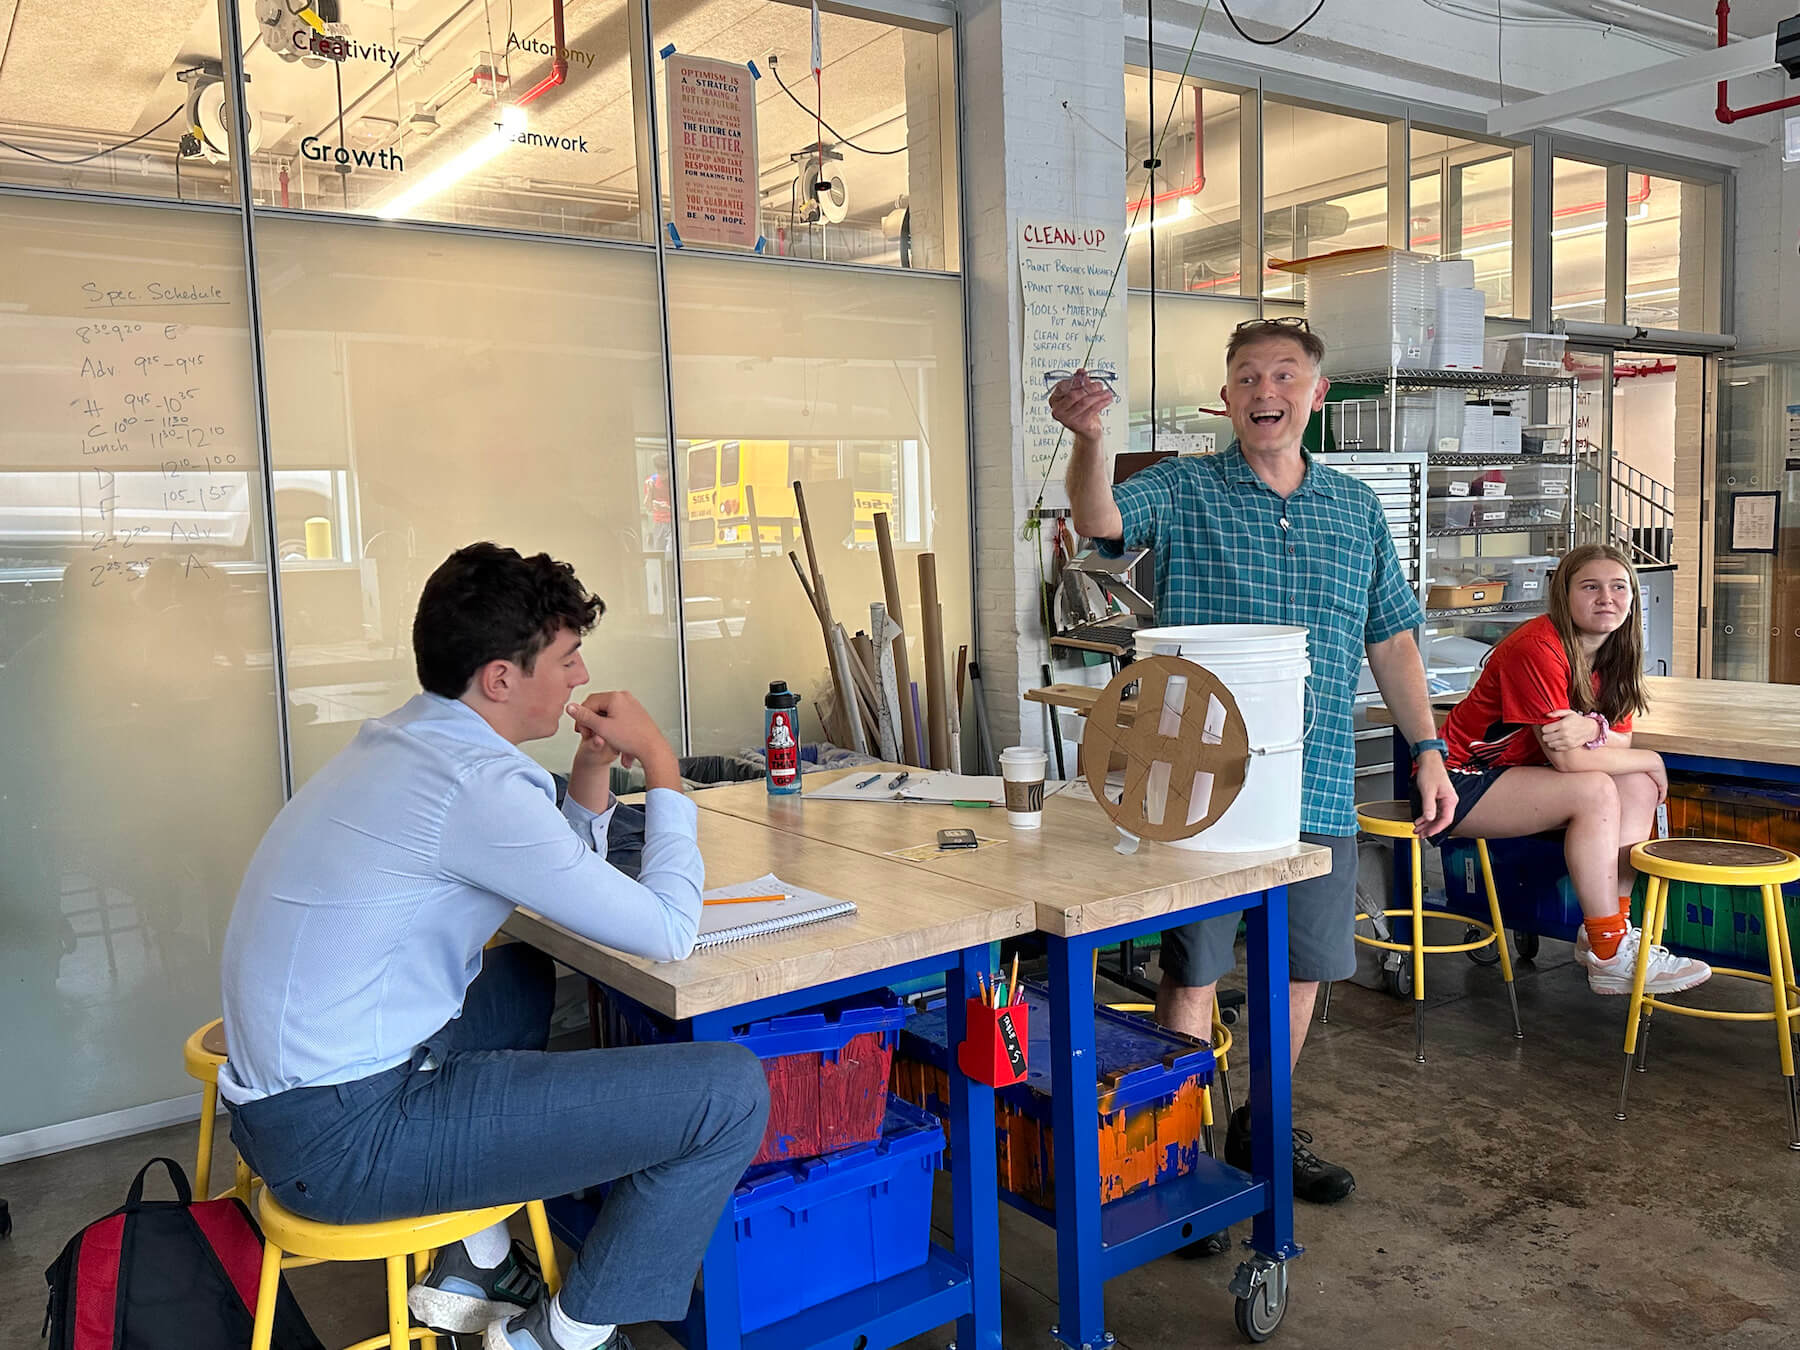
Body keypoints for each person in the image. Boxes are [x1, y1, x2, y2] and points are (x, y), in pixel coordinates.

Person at [217, 542, 770, 1350]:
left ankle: (473, 1262)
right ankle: (563, 1337)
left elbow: (555, 870)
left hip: (284, 1107)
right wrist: (660, 766)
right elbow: (668, 932)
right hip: (346, 1142)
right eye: (568, 656)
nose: (581, 678)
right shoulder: (478, 784)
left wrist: (589, 772)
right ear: (502, 679)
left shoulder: (410, 741)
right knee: (729, 1093)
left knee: (516, 975)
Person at [1050, 317, 1455, 1225]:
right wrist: (1090, 441)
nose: (1264, 390)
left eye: (1284, 374)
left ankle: (1263, 1125)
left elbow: (1389, 636)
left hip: (1313, 781)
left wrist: (1427, 748)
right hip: (1200, 787)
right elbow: (1099, 520)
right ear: (1226, 398)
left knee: (1304, 970)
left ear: (1315, 394)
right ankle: (1172, 1146)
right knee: (1192, 973)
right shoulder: (1186, 489)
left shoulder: (1355, 509)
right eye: (1246, 376)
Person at [1424, 543, 1710, 996]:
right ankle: (1610, 947)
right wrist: (1651, 759)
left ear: (1633, 598)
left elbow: (1620, 742)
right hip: (1458, 780)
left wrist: (1591, 726)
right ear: (1564, 595)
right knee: (1596, 788)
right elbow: (1570, 760)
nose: (1606, 598)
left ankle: (1606, 928)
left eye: (1619, 588)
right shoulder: (1537, 647)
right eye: (1590, 587)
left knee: (1633, 783)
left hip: (1520, 777)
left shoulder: (1616, 651)